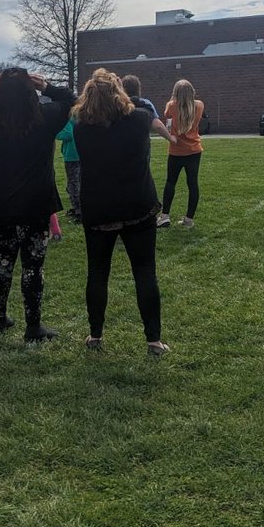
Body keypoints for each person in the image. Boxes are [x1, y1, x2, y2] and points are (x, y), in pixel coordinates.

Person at [74, 69, 176, 356]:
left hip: (98, 208)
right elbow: (142, 107)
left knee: (97, 272)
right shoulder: (139, 120)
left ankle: (95, 335)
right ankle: (153, 340)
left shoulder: (82, 129)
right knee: (145, 272)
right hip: (137, 206)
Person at [0, 68, 75, 341]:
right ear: (32, 93)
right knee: (33, 266)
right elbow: (71, 100)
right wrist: (47, 86)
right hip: (35, 203)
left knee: (1, 262)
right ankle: (33, 325)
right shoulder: (45, 118)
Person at [158, 79, 204, 229]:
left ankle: (164, 216)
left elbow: (167, 116)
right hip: (194, 150)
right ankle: (189, 219)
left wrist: (173, 99)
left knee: (170, 182)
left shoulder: (171, 105)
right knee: (192, 184)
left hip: (176, 150)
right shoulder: (199, 105)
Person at [54, 115, 81, 220]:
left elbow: (67, 134)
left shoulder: (68, 119)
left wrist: (55, 133)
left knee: (73, 184)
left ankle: (78, 210)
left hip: (71, 155)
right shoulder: (78, 117)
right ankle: (78, 208)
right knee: (78, 181)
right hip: (80, 153)